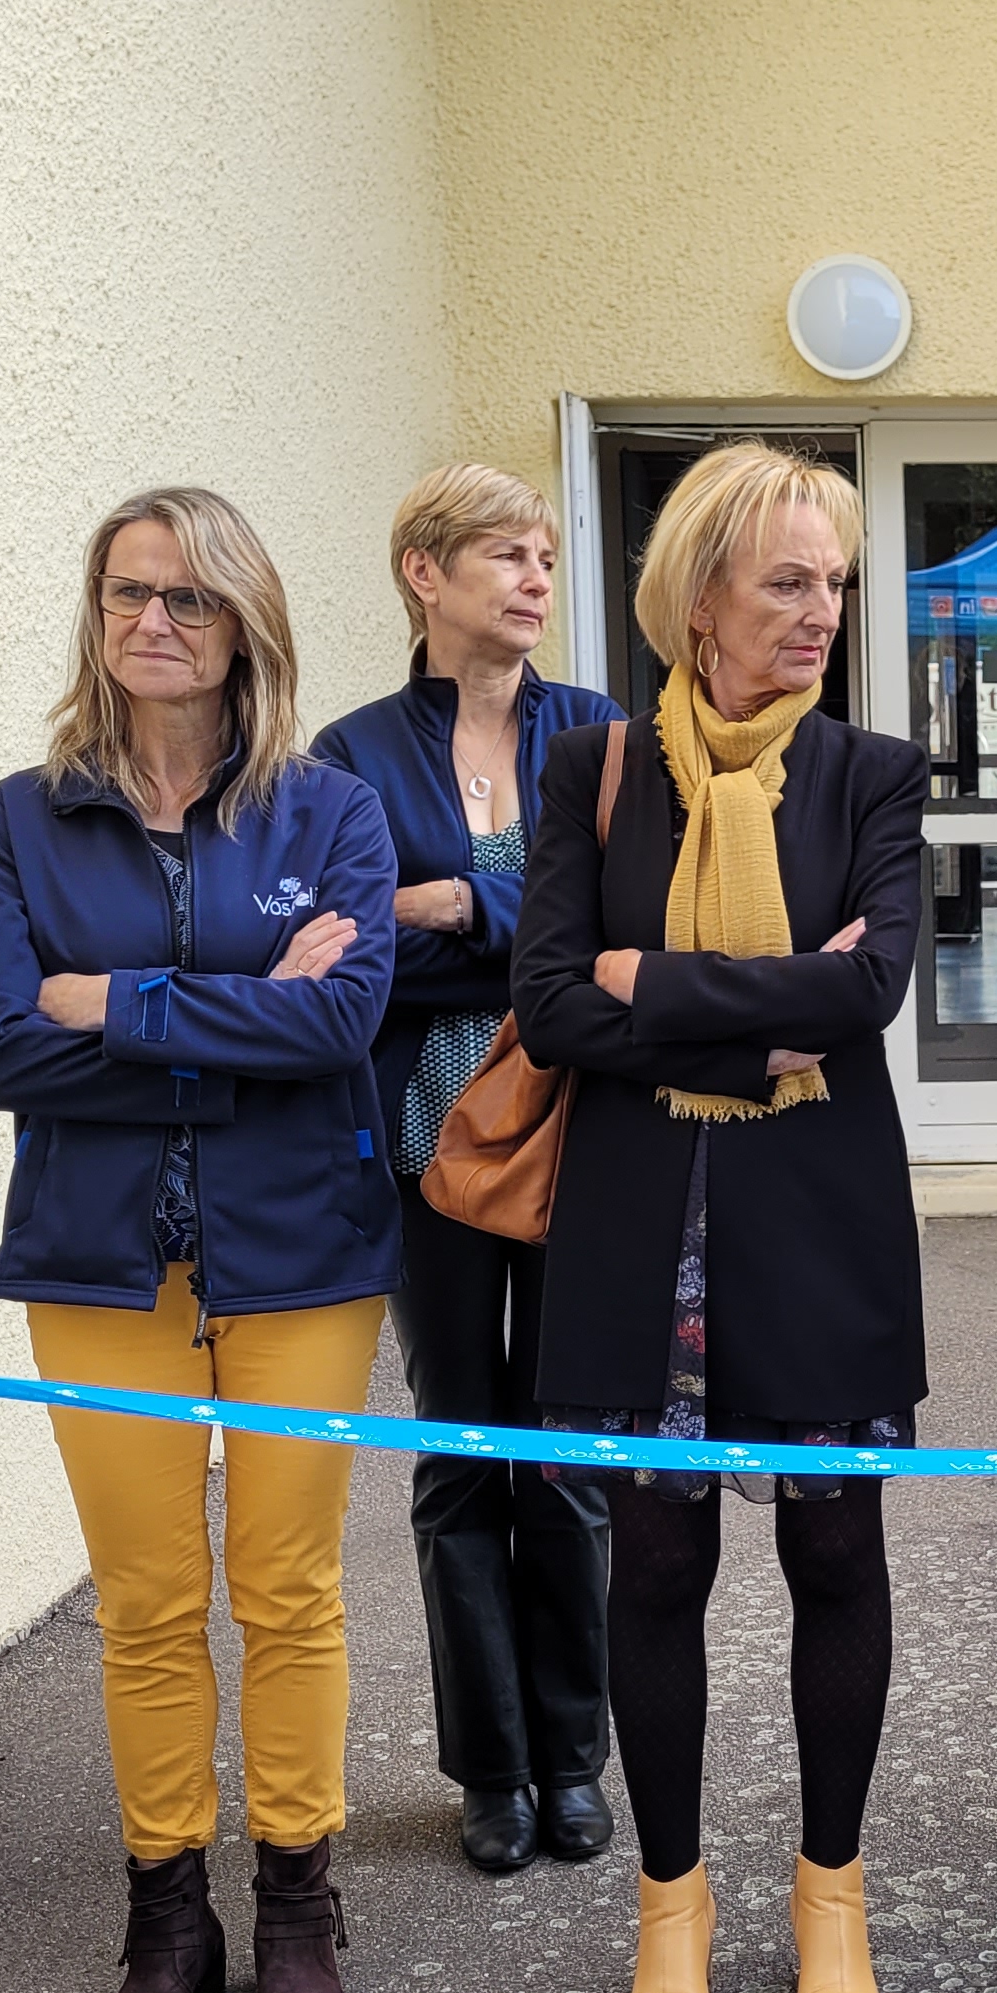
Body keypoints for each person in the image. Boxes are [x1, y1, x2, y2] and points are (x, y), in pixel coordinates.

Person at [0, 488, 400, 1993]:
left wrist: (111, 1000)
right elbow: (3, 1048)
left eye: (188, 600)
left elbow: (337, 1029)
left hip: (302, 1256)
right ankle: (167, 1920)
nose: (152, 622)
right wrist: (220, 1004)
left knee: (286, 1587)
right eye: (128, 594)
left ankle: (295, 1904)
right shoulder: (23, 819)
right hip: (99, 1256)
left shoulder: (331, 811)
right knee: (145, 1602)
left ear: (244, 629)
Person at [508, 440, 925, 1993]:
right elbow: (548, 1007)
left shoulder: (870, 778)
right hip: (639, 1233)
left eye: (833, 582)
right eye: (786, 582)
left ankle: (832, 1896)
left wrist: (650, 984)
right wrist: (759, 1017)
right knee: (661, 1564)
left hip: (816, 1231)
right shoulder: (596, 773)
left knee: (835, 1556)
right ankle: (669, 1913)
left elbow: (867, 991)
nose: (819, 612)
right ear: (698, 601)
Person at [316, 464, 620, 1879]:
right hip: (421, 1136)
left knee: (566, 1458)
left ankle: (574, 1758)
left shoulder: (601, 734)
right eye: (507, 552)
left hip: (578, 1131)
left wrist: (451, 900)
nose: (538, 577)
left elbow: (616, 921)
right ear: (422, 575)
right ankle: (487, 1768)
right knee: (458, 1452)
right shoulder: (349, 755)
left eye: (547, 555)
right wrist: (511, 923)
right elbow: (340, 959)